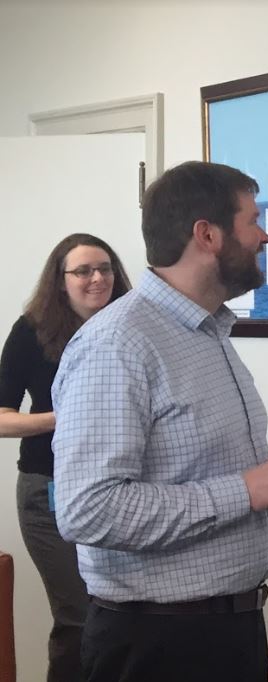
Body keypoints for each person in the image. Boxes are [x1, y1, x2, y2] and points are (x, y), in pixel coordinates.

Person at [51, 161, 268, 682]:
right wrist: (242, 490)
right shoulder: (117, 344)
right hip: (160, 645)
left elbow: (186, 463)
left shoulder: (207, 332)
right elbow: (87, 509)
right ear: (207, 234)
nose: (264, 235)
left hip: (229, 631)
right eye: (253, 220)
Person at [0, 233, 131, 681]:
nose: (97, 278)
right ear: (60, 281)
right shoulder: (31, 331)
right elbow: (0, 418)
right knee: (79, 618)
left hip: (123, 490)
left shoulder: (132, 326)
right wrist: (64, 418)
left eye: (105, 268)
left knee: (121, 616)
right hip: (49, 491)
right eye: (83, 271)